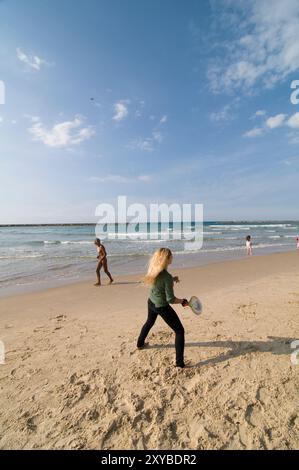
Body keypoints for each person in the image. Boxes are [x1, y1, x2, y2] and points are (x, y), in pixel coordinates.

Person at [137, 248, 189, 368]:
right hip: (161, 306)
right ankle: (179, 363)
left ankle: (140, 344)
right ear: (167, 259)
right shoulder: (166, 276)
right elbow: (170, 299)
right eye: (171, 256)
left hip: (151, 302)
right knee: (179, 331)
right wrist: (182, 301)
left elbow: (160, 282)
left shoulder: (153, 270)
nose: (173, 257)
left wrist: (172, 280)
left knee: (149, 322)